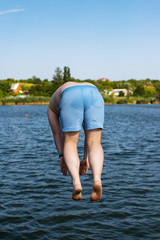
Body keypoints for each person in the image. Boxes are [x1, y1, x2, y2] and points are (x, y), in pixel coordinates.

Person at [47, 81, 104, 202]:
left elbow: (57, 133)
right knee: (95, 142)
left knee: (70, 142)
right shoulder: (87, 86)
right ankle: (97, 180)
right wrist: (85, 158)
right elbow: (87, 132)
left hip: (70, 95)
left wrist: (62, 155)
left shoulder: (51, 107)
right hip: (94, 93)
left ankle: (77, 184)